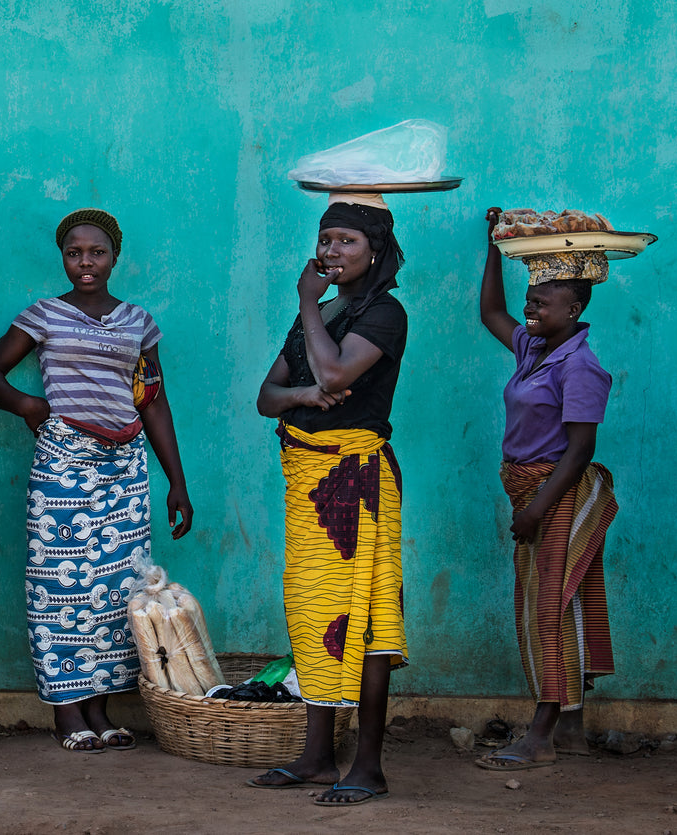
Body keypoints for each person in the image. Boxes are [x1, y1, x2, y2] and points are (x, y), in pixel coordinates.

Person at [0, 208, 193, 753]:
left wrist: (177, 482)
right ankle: (67, 711)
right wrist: (30, 405)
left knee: (118, 590)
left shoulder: (138, 323)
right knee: (59, 585)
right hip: (63, 462)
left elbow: (152, 400)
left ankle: (100, 709)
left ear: (114, 257)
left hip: (125, 467)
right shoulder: (44, 315)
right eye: (74, 253)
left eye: (96, 252)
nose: (85, 262)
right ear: (63, 258)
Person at [252, 196, 409, 806]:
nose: (332, 251)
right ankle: (318, 757)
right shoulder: (320, 315)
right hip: (310, 483)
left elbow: (337, 374)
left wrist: (305, 306)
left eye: (347, 241)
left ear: (376, 250)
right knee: (314, 609)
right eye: (326, 239)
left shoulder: (385, 314)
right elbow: (267, 396)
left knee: (363, 619)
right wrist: (303, 396)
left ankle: (367, 766)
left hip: (357, 486)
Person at [474, 206, 617, 770]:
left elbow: (580, 450)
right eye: (530, 297)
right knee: (563, 602)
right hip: (531, 492)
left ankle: (541, 735)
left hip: (560, 492)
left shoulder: (580, 367)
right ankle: (573, 730)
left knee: (547, 608)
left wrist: (535, 509)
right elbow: (491, 312)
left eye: (543, 300)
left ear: (574, 309)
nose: (531, 306)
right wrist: (493, 246)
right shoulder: (533, 348)